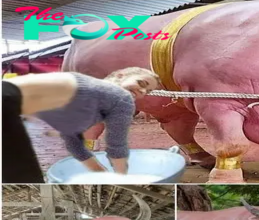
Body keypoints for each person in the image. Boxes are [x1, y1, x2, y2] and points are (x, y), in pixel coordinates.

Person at [2, 67, 160, 183]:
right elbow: (116, 145)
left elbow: (72, 141)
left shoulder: (89, 93)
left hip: (9, 104)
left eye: (147, 90)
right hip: (8, 105)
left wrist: (101, 173)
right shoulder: (121, 97)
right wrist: (121, 180)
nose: (142, 90)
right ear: (120, 75)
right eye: (141, 82)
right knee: (26, 178)